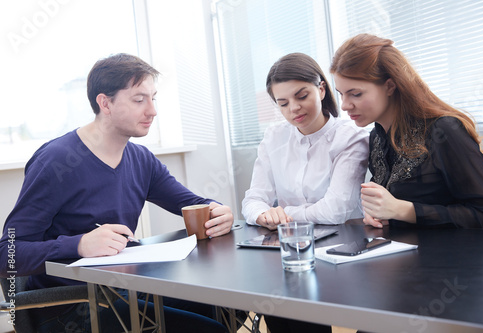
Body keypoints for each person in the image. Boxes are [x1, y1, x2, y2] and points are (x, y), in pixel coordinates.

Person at [0, 53, 233, 332]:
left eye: (153, 98)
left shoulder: (141, 159)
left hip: (123, 289)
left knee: (226, 307)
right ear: (105, 103)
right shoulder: (56, 161)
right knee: (209, 329)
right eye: (139, 100)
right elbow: (7, 254)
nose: (152, 111)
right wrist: (79, 245)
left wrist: (219, 210)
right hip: (69, 307)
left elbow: (193, 204)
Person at [330, 33, 483, 229]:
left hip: (453, 256)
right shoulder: (376, 137)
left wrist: (403, 210)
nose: (344, 105)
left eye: (356, 94)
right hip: (402, 252)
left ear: (390, 86)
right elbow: (394, 209)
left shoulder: (444, 130)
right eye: (341, 94)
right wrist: (380, 215)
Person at [242, 53, 369, 231]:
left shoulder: (350, 137)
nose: (294, 108)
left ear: (321, 89)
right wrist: (262, 215)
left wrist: (283, 214)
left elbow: (336, 210)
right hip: (290, 242)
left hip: (343, 242)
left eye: (301, 96)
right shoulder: (273, 137)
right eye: (283, 104)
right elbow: (254, 199)